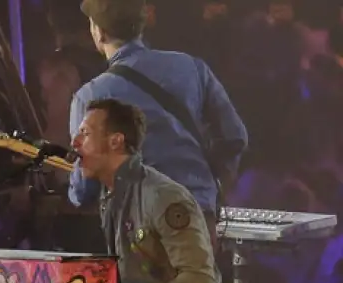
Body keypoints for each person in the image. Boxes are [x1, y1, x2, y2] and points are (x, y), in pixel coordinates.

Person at [71, 98, 235, 283]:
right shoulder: (112, 197)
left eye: (85, 133)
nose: (75, 142)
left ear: (116, 140)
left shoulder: (162, 196)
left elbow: (198, 278)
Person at [69, 0, 248, 247]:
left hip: (140, 226)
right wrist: (213, 188)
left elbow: (84, 186)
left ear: (99, 32)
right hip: (198, 216)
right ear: (140, 26)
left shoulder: (90, 97)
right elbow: (235, 137)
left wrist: (73, 194)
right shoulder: (192, 67)